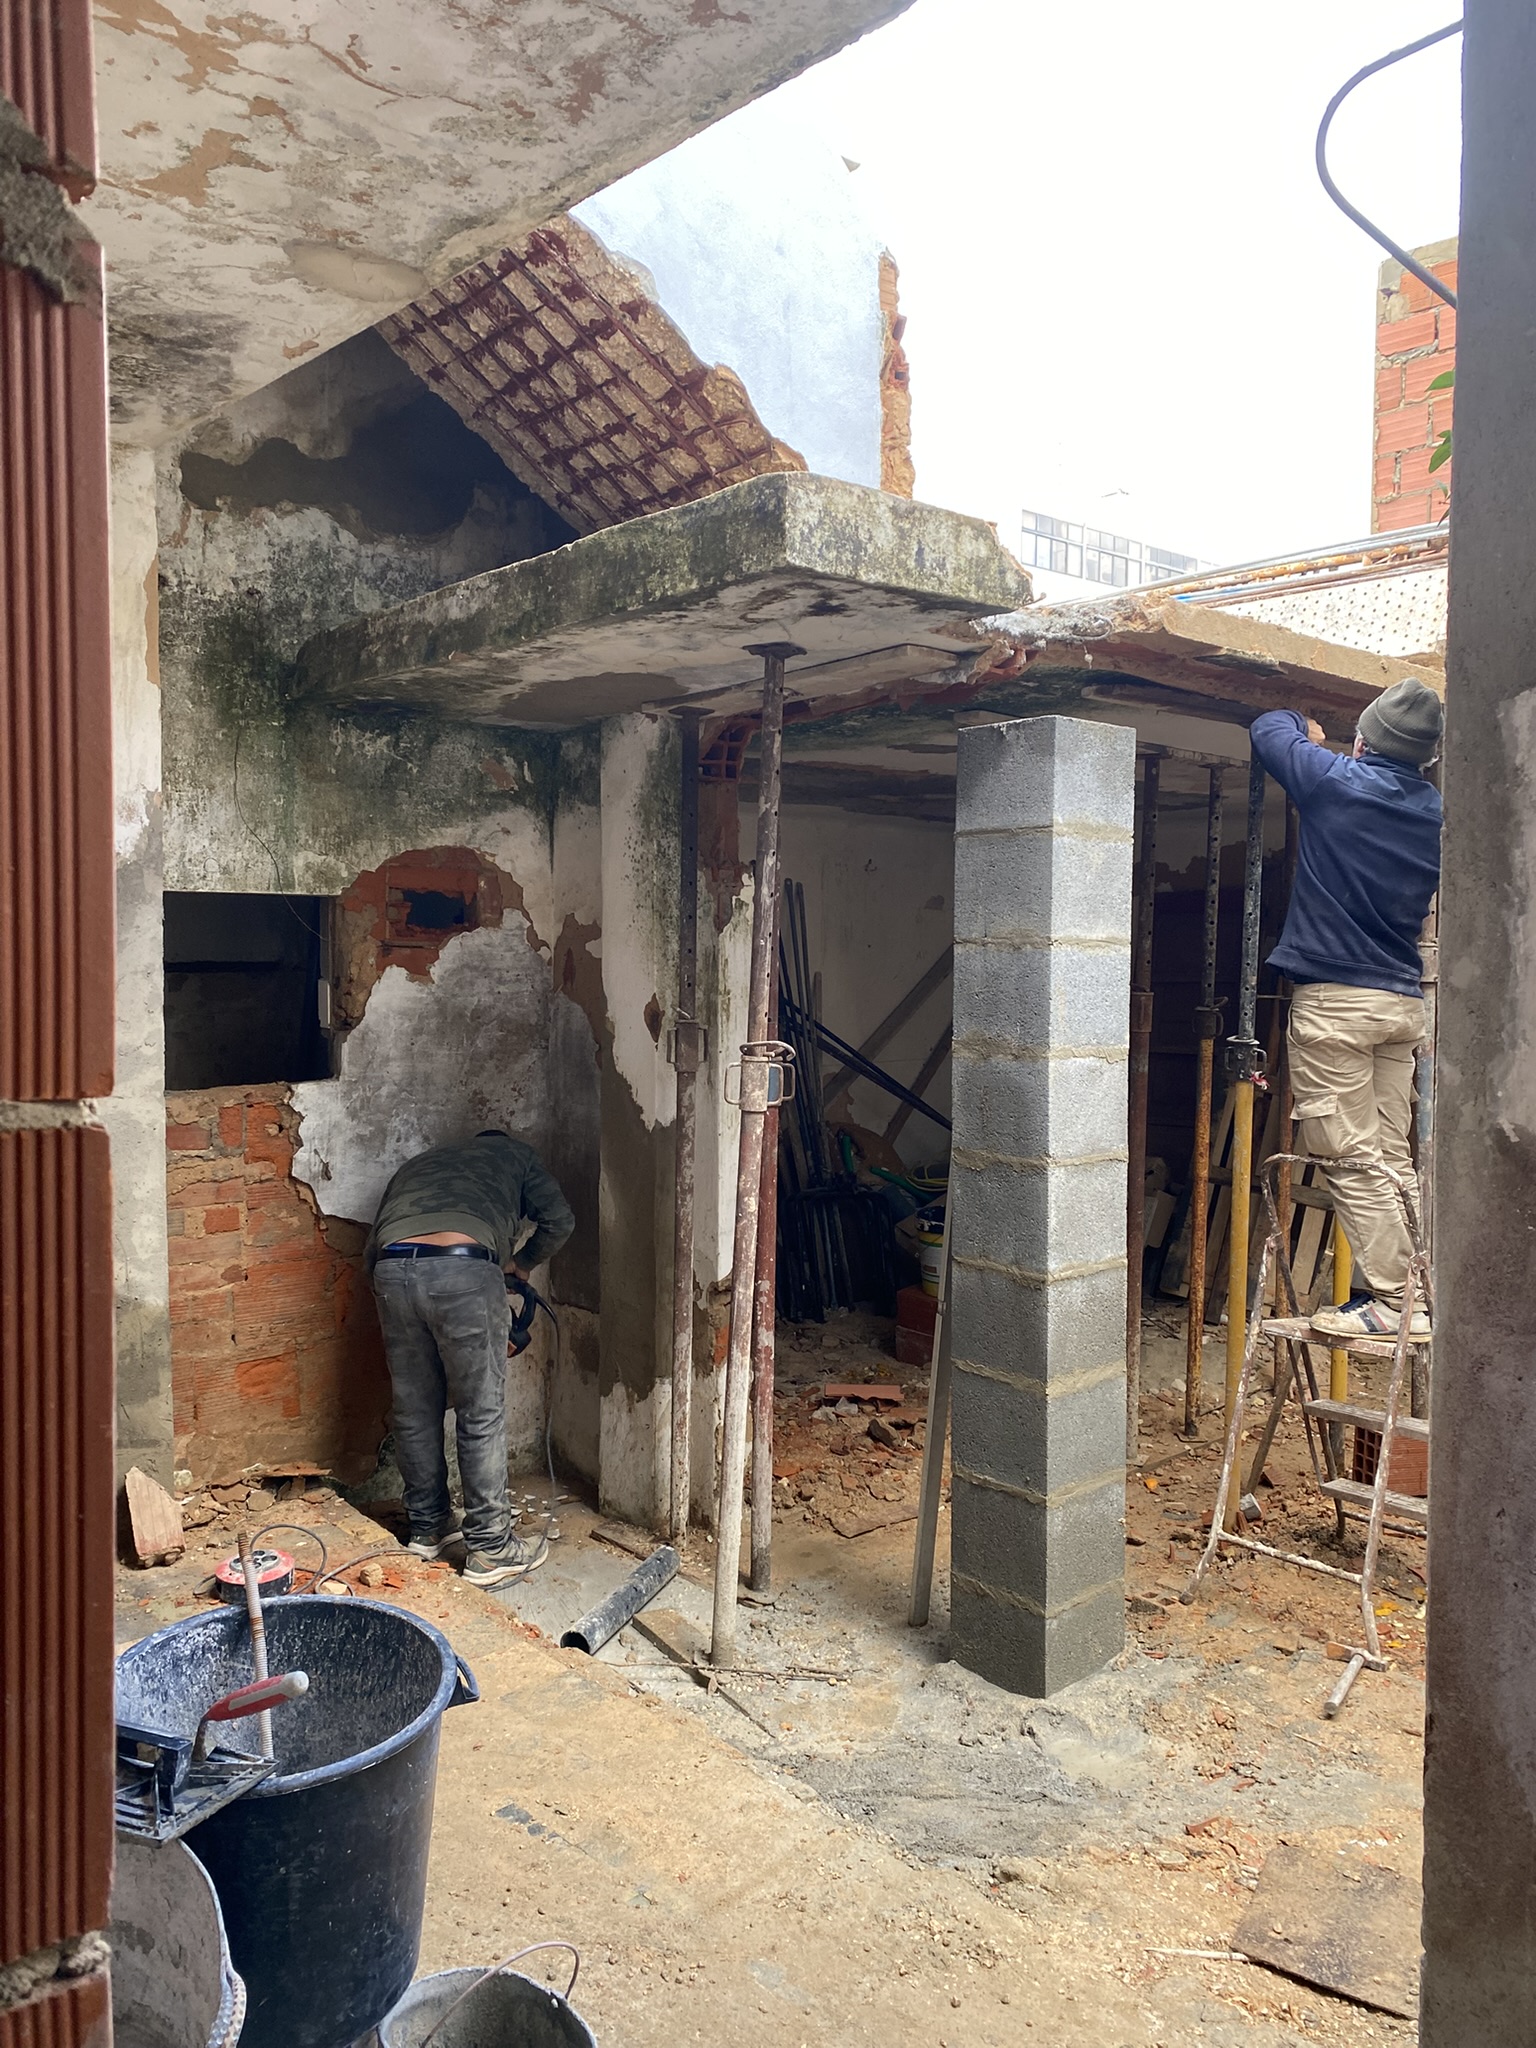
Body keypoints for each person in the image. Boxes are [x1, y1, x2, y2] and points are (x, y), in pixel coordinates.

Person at [1249, 676, 1443, 1340]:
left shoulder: (1337, 781)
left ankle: (1395, 1300)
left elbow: (1266, 730)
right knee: (1390, 1153)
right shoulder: (1434, 810)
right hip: (1399, 1002)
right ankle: (1422, 1286)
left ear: (1364, 741)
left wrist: (1303, 724)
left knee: (1349, 1152)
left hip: (1338, 1005)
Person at [367, 1128, 574, 1586]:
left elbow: (373, 1246)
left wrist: (399, 1297)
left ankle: (428, 1528)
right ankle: (490, 1547)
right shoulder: (517, 1155)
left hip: (391, 1269)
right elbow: (559, 1220)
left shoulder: (421, 1162)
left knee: (415, 1410)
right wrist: (519, 1265)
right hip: (464, 1265)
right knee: (480, 1412)